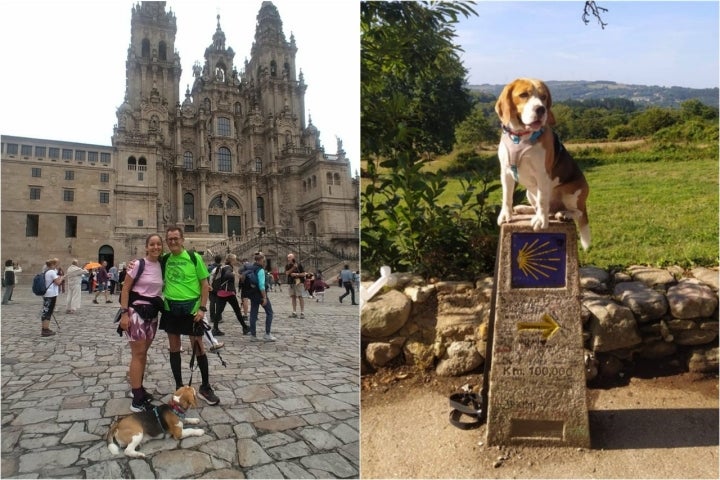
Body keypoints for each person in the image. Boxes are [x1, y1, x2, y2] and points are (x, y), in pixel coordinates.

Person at [159, 227, 219, 405]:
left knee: (199, 346)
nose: (173, 242)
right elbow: (147, 263)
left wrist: (202, 309)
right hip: (171, 307)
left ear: (182, 239)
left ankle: (205, 387)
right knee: (174, 348)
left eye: (176, 238)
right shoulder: (165, 259)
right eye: (169, 239)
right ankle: (179, 387)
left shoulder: (194, 258)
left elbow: (204, 284)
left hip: (192, 309)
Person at [119, 234, 164, 412]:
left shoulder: (163, 265)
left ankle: (138, 389)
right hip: (136, 312)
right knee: (138, 354)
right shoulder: (138, 264)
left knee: (143, 353)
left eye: (158, 244)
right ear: (146, 247)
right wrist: (124, 313)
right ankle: (137, 400)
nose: (155, 247)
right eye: (152, 244)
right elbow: (125, 288)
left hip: (152, 314)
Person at [210, 253, 250, 336]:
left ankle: (215, 329)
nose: (235, 260)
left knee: (218, 312)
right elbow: (227, 275)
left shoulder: (223, 267)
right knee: (237, 311)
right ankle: (245, 327)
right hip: (228, 293)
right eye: (235, 259)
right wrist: (234, 274)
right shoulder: (228, 268)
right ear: (232, 260)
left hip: (221, 292)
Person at [247, 252, 275, 342]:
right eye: (264, 260)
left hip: (252, 294)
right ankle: (267, 333)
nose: (264, 262)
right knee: (269, 312)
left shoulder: (251, 268)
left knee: (253, 314)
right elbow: (262, 285)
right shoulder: (261, 270)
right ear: (260, 260)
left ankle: (253, 335)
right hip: (260, 294)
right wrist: (264, 297)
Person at [40, 258, 64, 337]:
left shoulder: (46, 271)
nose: (57, 265)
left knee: (46, 311)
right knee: (48, 312)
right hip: (51, 294)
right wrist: (62, 278)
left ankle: (45, 328)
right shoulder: (52, 272)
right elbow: (58, 282)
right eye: (56, 264)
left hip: (47, 294)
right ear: (53, 265)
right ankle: (45, 330)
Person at [284, 253, 305, 318]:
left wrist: (296, 274)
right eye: (288, 257)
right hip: (291, 283)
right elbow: (287, 273)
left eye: (290, 257)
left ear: (293, 258)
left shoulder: (299, 265)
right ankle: (294, 312)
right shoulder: (287, 265)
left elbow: (304, 274)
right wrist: (293, 268)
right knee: (293, 297)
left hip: (299, 282)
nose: (289, 259)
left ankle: (302, 312)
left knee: (300, 296)